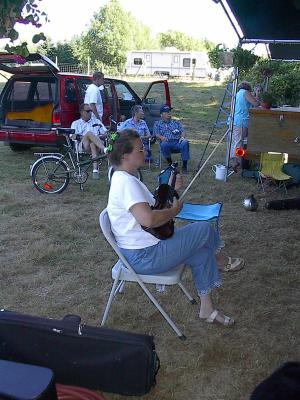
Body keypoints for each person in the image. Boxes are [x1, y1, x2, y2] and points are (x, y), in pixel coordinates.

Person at [106, 129, 244, 327]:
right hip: (145, 256)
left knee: (202, 253)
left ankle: (207, 309)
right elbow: (148, 220)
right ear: (125, 156)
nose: (144, 151)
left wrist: (172, 189)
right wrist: (174, 210)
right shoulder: (126, 183)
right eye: (140, 149)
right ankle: (221, 260)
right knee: (203, 229)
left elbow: (153, 206)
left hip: (145, 250)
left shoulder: (124, 178)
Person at [71, 103, 107, 179]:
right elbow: (72, 136)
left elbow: (105, 133)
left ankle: (95, 170)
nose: (90, 113)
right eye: (88, 111)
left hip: (97, 144)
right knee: (89, 134)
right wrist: (86, 137)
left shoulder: (96, 121)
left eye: (91, 111)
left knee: (92, 143)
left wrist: (97, 137)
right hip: (83, 145)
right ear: (81, 112)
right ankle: (105, 149)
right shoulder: (76, 123)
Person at [230, 81, 260, 170]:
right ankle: (235, 162)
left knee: (239, 141)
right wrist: (257, 94)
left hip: (238, 120)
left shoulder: (239, 93)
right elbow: (256, 103)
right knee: (240, 142)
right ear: (248, 87)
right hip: (242, 121)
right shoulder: (245, 92)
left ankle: (238, 161)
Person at [153, 105, 190, 174]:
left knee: (185, 142)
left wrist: (182, 137)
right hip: (166, 141)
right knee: (164, 144)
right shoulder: (157, 123)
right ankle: (170, 164)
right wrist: (162, 137)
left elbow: (182, 131)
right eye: (166, 112)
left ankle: (184, 166)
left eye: (169, 112)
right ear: (161, 114)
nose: (169, 113)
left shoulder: (176, 122)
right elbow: (156, 134)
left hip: (177, 141)